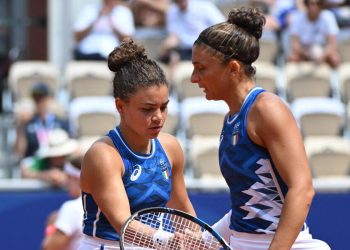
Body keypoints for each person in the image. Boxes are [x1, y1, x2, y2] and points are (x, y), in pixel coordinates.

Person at [190, 7, 330, 250]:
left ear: (233, 68)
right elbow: (245, 205)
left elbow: (302, 189)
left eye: (201, 68)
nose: (193, 78)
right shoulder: (231, 119)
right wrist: (205, 240)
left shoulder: (268, 109)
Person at [78, 39, 195, 249]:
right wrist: (169, 241)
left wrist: (196, 238)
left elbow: (183, 211)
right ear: (120, 106)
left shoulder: (171, 147)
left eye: (164, 107)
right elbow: (125, 224)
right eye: (148, 109)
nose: (159, 117)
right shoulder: (103, 155)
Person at [14, 82, 69, 159]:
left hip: (55, 162)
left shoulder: (60, 122)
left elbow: (69, 149)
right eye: (36, 99)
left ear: (49, 98)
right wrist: (21, 126)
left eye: (42, 98)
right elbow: (19, 152)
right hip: (34, 164)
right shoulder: (27, 124)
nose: (39, 102)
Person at [41, 153, 84, 250]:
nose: (66, 182)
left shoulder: (71, 208)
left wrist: (52, 226)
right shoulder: (106, 204)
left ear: (77, 178)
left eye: (68, 177)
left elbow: (49, 247)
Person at [288, 0, 340, 68]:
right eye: (311, 3)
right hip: (304, 51)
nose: (315, 6)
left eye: (318, 4)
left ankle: (334, 78)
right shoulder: (297, 17)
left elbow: (332, 44)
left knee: (335, 59)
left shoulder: (328, 17)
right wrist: (307, 54)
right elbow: (294, 44)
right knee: (292, 58)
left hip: (323, 50)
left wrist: (322, 55)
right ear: (306, 4)